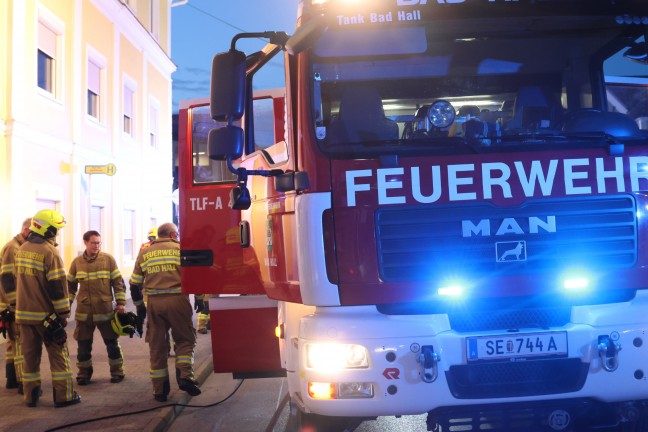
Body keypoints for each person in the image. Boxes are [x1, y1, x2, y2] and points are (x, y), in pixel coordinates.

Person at [129, 222, 206, 402]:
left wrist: (140, 308)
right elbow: (197, 277)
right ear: (172, 234)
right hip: (178, 301)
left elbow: (134, 284)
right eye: (177, 233)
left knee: (157, 346)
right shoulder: (181, 249)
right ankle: (185, 376)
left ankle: (160, 391)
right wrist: (200, 299)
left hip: (154, 303)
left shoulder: (145, 252)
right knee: (185, 340)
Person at [14, 209, 80, 408]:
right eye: (56, 229)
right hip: (46, 317)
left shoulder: (22, 248)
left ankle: (30, 396)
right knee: (59, 356)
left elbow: (18, 281)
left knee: (29, 358)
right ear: (47, 229)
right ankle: (64, 396)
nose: (57, 233)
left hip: (23, 316)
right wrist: (63, 314)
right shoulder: (50, 252)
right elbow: (58, 287)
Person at [67, 230, 127, 385]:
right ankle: (84, 373)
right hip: (84, 313)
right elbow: (70, 287)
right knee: (83, 346)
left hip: (105, 311)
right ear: (85, 242)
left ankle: (117, 371)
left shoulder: (108, 260)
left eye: (99, 242)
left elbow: (118, 283)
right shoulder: (77, 262)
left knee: (112, 343)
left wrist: (120, 303)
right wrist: (66, 306)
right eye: (93, 243)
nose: (97, 246)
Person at [0, 217, 31, 393]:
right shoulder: (13, 248)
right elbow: (7, 278)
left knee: (12, 343)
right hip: (11, 305)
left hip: (8, 304)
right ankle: (22, 383)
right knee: (20, 342)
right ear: (26, 230)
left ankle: (11, 379)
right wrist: (14, 304)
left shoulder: (18, 246)